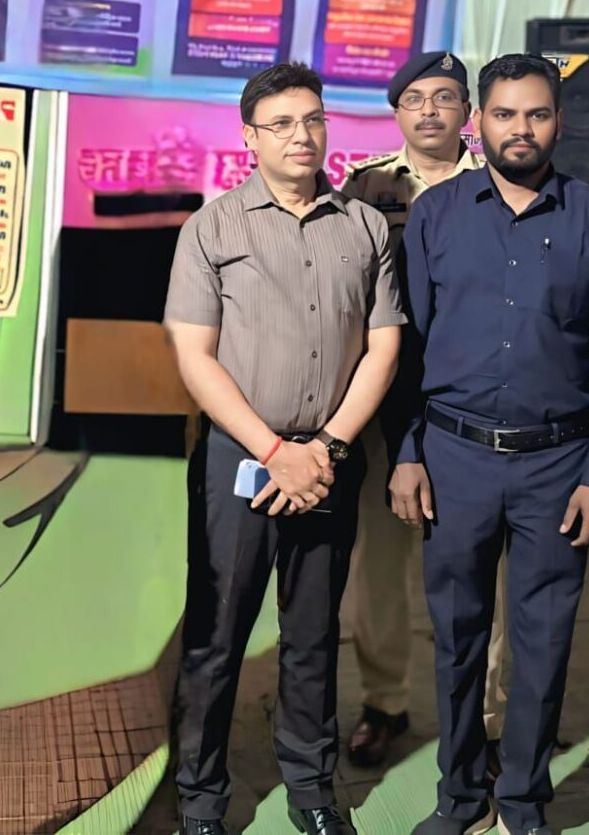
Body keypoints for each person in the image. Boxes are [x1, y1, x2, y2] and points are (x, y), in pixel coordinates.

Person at [392, 53, 589, 835]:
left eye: (536, 114)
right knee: (457, 638)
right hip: (452, 458)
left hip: (559, 465)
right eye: (504, 114)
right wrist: (407, 453)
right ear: (480, 122)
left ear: (559, 122)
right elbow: (407, 348)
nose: (520, 129)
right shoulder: (435, 216)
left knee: (542, 641)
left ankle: (524, 802)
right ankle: (459, 798)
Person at [164, 61, 404, 835]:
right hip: (240, 459)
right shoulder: (213, 228)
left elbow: (383, 346)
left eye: (312, 119)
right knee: (217, 638)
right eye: (281, 124)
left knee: (312, 635)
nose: (301, 136)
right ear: (249, 138)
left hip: (329, 461)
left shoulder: (364, 227)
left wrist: (325, 446)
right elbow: (194, 354)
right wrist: (274, 449)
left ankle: (311, 792)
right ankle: (201, 801)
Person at [341, 52, 508, 772]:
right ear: (397, 112)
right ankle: (384, 702)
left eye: (444, 97)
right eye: (415, 99)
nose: (430, 110)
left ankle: (488, 718)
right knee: (380, 565)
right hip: (386, 398)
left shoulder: (499, 182)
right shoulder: (366, 185)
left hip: (474, 400)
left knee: (480, 568)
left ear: (467, 111)